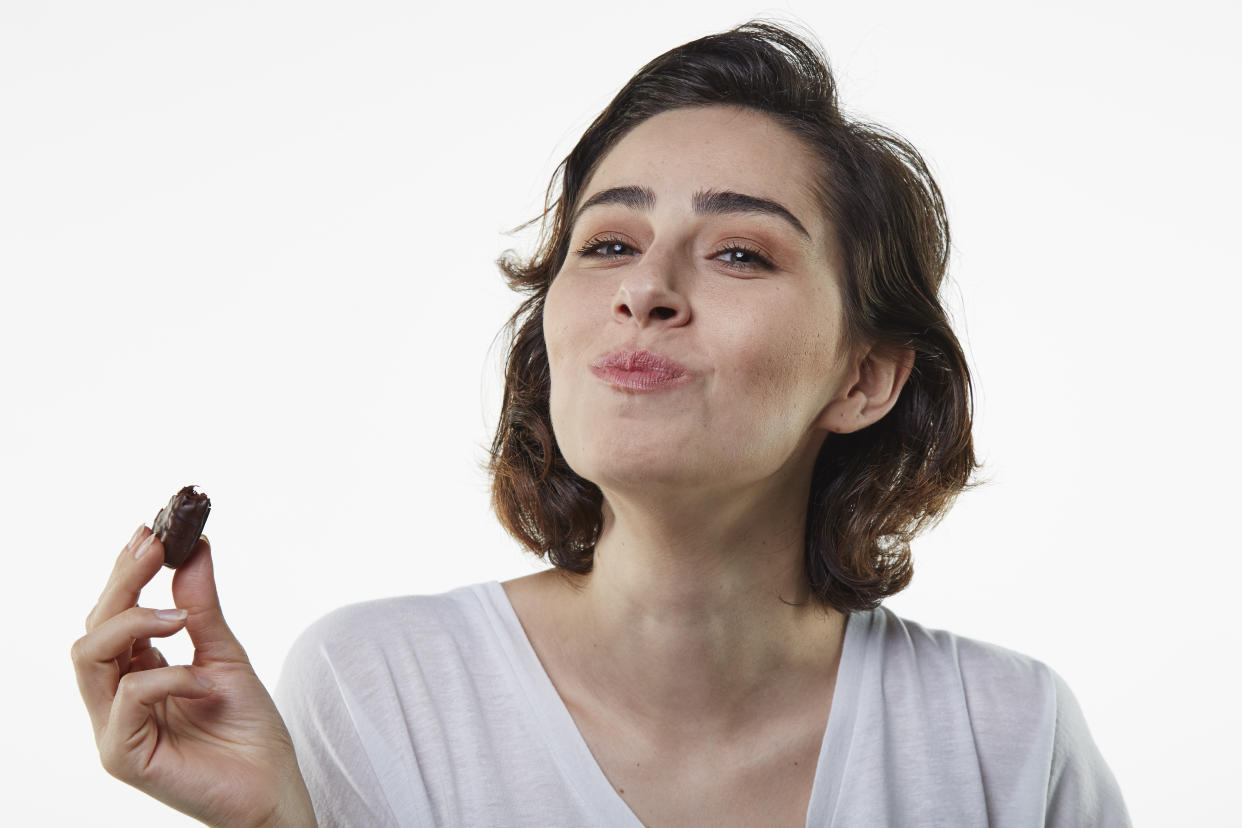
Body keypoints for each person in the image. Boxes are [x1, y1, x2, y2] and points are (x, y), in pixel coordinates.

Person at [72, 19, 1132, 827]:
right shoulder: (381, 684)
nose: (647, 291)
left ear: (865, 378)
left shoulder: (1007, 738)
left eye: (739, 253)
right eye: (610, 244)